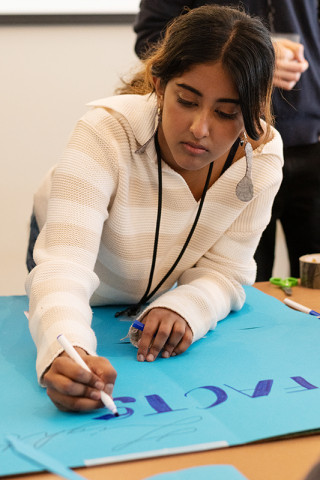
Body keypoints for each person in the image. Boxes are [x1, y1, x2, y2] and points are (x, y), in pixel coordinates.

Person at [26, 5, 283, 412]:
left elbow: (228, 272)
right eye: (186, 100)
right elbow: (64, 268)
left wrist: (184, 306)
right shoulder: (105, 131)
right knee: (63, 312)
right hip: (80, 257)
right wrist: (66, 351)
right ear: (160, 86)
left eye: (226, 113)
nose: (201, 128)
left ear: (251, 112)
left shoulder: (262, 157)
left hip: (156, 276)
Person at [134, 0, 320, 280]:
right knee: (238, 282)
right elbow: (153, 36)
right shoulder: (114, 128)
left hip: (313, 139)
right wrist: (253, 57)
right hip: (229, 155)